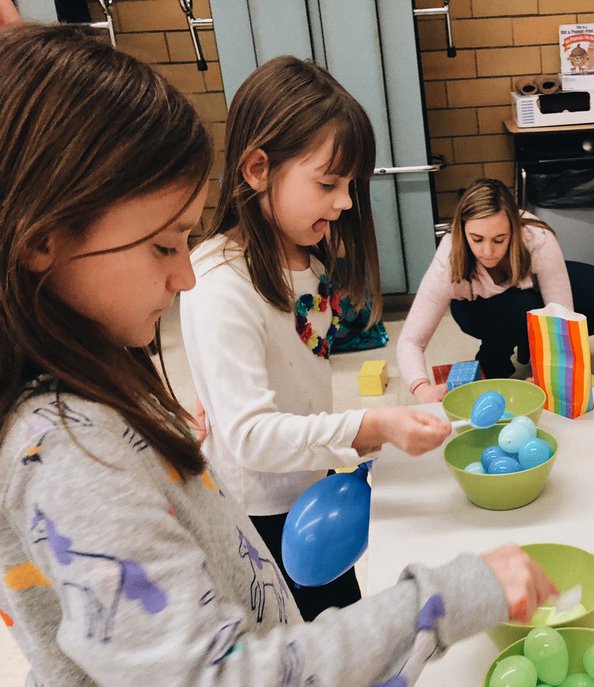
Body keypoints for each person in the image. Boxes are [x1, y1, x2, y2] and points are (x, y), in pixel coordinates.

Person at [0, 25, 554, 687]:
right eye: (160, 246)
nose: (182, 279)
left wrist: (69, 679)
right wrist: (449, 594)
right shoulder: (69, 450)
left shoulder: (90, 399)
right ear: (41, 238)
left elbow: (65, 603)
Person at [180, 56, 452, 623]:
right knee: (302, 661)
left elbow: (296, 372)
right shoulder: (217, 282)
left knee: (341, 633)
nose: (346, 203)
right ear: (257, 168)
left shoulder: (304, 259)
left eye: (350, 186)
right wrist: (371, 426)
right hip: (258, 516)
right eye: (328, 184)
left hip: (309, 485)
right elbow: (250, 435)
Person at [397, 178, 594, 401]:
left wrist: (549, 372)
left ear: (514, 229)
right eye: (477, 239)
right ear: (462, 232)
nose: (488, 252)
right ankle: (497, 350)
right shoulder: (448, 260)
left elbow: (561, 316)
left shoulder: (536, 236)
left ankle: (527, 341)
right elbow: (411, 340)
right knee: (523, 309)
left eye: (499, 239)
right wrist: (421, 388)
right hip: (478, 309)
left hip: (531, 288)